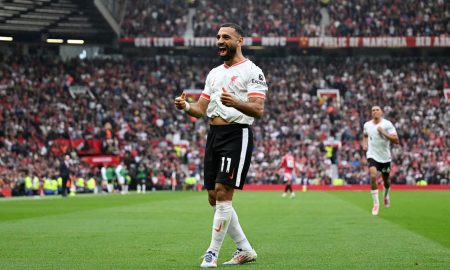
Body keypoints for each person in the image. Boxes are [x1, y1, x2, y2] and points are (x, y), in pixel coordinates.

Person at [174, 23, 267, 268]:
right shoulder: (214, 73)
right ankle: (245, 249)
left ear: (240, 41)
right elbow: (200, 110)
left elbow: (258, 109)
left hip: (237, 134)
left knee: (224, 194)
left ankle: (211, 253)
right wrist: (185, 106)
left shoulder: (253, 71)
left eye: (226, 37)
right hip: (214, 134)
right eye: (218, 37)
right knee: (214, 198)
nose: (220, 41)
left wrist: (235, 103)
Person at [362, 106, 400, 216]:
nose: (375, 112)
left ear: (381, 112)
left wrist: (383, 132)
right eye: (373, 110)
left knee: (386, 180)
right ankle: (376, 203)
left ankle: (386, 194)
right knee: (373, 175)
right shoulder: (367, 125)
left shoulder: (387, 124)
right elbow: (365, 135)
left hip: (384, 157)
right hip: (372, 155)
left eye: (377, 110)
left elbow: (396, 140)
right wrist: (365, 144)